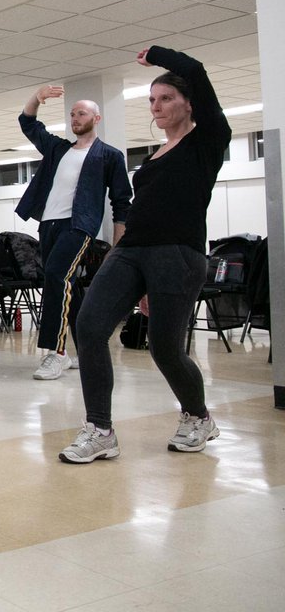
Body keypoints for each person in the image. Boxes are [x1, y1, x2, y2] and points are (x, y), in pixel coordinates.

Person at [59, 46, 231, 464]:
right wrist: (129, 272)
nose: (156, 106)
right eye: (152, 100)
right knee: (89, 326)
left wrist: (156, 54)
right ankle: (100, 429)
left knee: (165, 349)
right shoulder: (153, 156)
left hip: (178, 254)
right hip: (132, 251)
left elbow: (197, 69)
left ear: (189, 103)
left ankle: (198, 416)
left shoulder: (207, 141)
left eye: (166, 97)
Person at [17, 86, 132, 381]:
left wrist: (118, 244)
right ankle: (86, 348)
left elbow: (121, 201)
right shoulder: (59, 149)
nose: (75, 118)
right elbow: (28, 123)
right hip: (49, 223)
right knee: (67, 283)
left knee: (57, 274)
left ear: (97, 117)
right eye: (72, 114)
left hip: (79, 225)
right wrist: (37, 97)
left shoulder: (109, 155)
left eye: (81, 113)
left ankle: (56, 353)